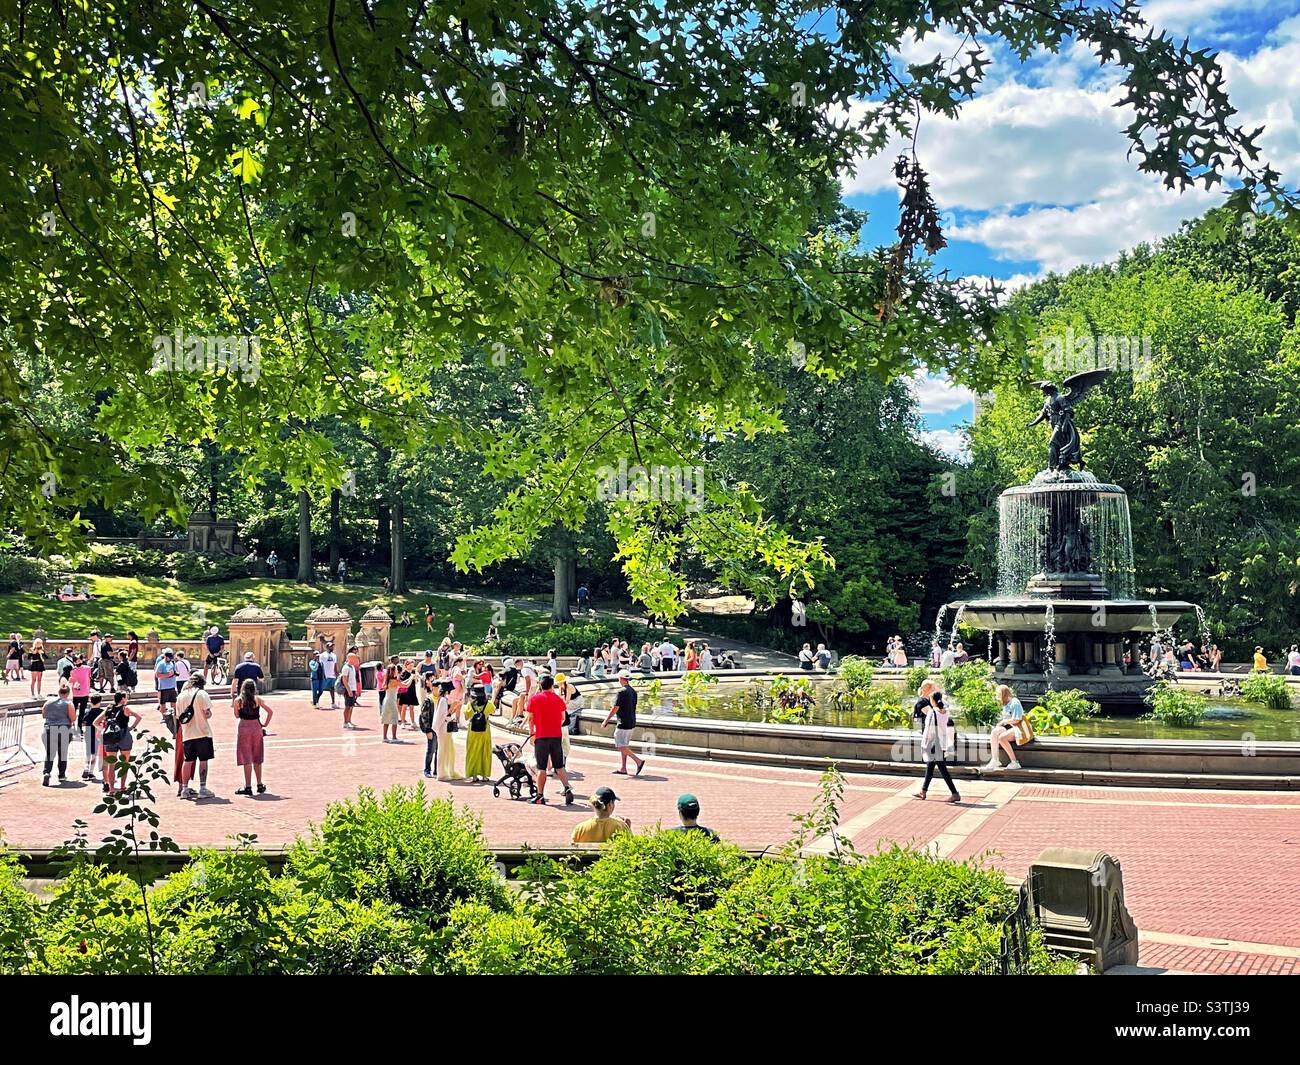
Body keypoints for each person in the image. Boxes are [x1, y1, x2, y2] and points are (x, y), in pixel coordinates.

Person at [525, 674, 574, 805]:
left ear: (540, 685)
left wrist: (532, 733)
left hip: (541, 735)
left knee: (542, 767)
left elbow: (530, 718)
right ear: (552, 686)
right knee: (559, 765)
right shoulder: (558, 699)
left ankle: (540, 795)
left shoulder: (534, 699)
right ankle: (567, 787)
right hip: (556, 736)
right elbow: (563, 717)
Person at [915, 690, 960, 804]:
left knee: (941, 768)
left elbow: (928, 729)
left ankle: (955, 793)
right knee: (931, 766)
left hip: (934, 743)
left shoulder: (932, 713)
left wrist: (925, 743)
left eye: (931, 699)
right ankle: (923, 790)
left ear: (933, 701)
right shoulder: (945, 712)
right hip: (942, 742)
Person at [176, 675, 215, 800]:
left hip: (187, 733)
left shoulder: (180, 696)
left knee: (188, 761)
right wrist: (208, 714)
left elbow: (178, 716)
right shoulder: (201, 693)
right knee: (203, 760)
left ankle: (185, 788)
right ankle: (202, 788)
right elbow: (207, 713)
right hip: (202, 732)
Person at [95, 691, 142, 794]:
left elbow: (95, 722)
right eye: (126, 697)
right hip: (124, 736)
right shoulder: (126, 708)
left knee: (111, 765)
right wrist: (131, 728)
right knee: (125, 763)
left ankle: (111, 789)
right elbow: (139, 717)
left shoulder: (109, 708)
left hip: (110, 737)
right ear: (122, 699)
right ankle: (122, 786)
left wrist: (103, 729)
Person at [233, 678, 273, 796]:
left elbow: (236, 715)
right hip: (256, 727)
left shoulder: (238, 701)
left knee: (246, 758)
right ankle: (259, 784)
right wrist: (264, 724)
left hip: (244, 727)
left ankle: (248, 786)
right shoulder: (258, 700)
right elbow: (270, 712)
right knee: (257, 756)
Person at [602, 670, 646, 776]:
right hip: (631, 721)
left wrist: (606, 720)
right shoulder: (633, 691)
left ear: (621, 679)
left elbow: (615, 708)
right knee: (624, 745)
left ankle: (638, 761)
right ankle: (623, 768)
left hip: (623, 722)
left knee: (620, 745)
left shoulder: (621, 692)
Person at [40, 681, 76, 787]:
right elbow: (73, 718)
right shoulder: (69, 703)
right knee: (62, 753)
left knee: (50, 753)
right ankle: (61, 775)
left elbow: (44, 715)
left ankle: (47, 772)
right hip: (63, 729)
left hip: (49, 728)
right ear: (68, 693)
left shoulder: (48, 702)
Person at [985, 684, 1026, 771]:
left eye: (999, 695)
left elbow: (1017, 719)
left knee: (1002, 738)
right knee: (994, 732)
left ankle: (1014, 762)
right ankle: (995, 759)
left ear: (1004, 694)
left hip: (1019, 729)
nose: (997, 697)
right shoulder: (1006, 704)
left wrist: (1003, 722)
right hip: (1010, 728)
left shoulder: (1015, 702)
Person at [433, 679, 462, 781]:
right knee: (444, 749)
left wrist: (454, 707)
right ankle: (442, 773)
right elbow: (444, 714)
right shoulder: (443, 700)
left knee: (447, 749)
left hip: (445, 726)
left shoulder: (442, 700)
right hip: (444, 727)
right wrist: (454, 706)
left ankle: (447, 771)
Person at [463, 682, 492, 781]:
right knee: (485, 753)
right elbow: (493, 711)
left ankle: (473, 775)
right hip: (485, 731)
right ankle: (484, 775)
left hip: (473, 732)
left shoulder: (470, 705)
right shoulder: (489, 704)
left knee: (472, 752)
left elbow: (466, 717)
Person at [155, 647, 180, 733]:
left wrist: (175, 674)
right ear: (165, 656)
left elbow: (175, 671)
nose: (170, 658)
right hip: (163, 687)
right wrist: (167, 675)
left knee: (174, 703)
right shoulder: (161, 664)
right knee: (163, 705)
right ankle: (165, 717)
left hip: (172, 686)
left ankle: (174, 717)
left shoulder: (173, 663)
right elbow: (157, 675)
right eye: (169, 656)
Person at [380, 663, 402, 742]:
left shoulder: (388, 680)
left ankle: (385, 737)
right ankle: (394, 737)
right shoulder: (394, 681)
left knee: (386, 719)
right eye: (395, 670)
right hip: (392, 701)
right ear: (392, 671)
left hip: (387, 700)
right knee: (394, 719)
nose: (397, 671)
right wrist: (412, 678)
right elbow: (405, 685)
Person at [338, 652, 360, 729]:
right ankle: (345, 722)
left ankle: (349, 721)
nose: (356, 660)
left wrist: (355, 690)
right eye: (354, 658)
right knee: (347, 706)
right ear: (350, 659)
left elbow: (353, 680)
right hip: (348, 690)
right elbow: (344, 680)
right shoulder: (346, 668)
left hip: (353, 689)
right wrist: (349, 690)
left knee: (351, 706)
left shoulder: (352, 667)